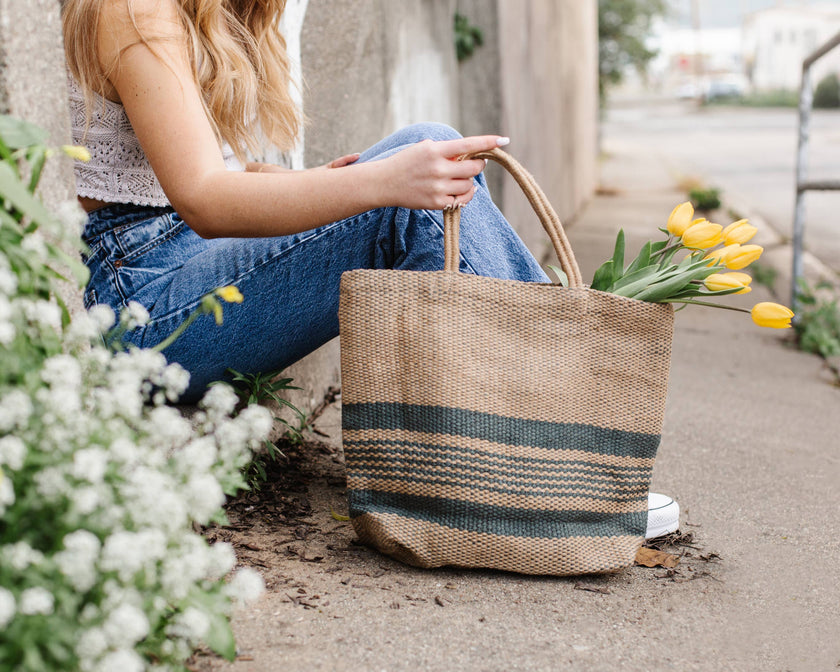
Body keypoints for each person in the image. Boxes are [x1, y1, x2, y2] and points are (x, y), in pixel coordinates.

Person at [60, 0, 679, 539]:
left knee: (419, 162)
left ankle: (532, 451)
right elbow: (201, 198)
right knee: (408, 178)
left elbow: (228, 174)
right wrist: (374, 184)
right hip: (143, 304)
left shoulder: (201, 11)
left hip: (182, 269)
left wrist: (330, 185)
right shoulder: (133, 8)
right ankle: (566, 463)